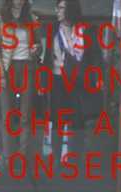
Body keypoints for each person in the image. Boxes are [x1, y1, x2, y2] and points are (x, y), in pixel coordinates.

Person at [0, 0, 42, 162]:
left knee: (26, 116)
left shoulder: (32, 18)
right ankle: (8, 157)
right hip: (8, 68)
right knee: (7, 116)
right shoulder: (0, 17)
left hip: (27, 67)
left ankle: (23, 156)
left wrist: (36, 49)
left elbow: (39, 45)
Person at [46, 0, 87, 168]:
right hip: (57, 79)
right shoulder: (52, 29)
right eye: (57, 7)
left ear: (70, 9)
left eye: (61, 7)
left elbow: (91, 56)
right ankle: (56, 159)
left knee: (77, 120)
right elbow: (46, 56)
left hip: (77, 81)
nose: (58, 11)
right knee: (57, 120)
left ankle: (74, 159)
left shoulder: (83, 30)